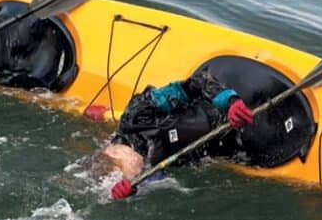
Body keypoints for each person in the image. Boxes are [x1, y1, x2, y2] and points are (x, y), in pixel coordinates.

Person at [91, 68, 255, 199]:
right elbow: (161, 186)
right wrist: (132, 194)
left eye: (125, 168)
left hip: (231, 104)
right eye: (127, 174)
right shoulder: (147, 170)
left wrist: (229, 101)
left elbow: (196, 82)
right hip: (231, 145)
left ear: (114, 150)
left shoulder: (139, 112)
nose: (132, 172)